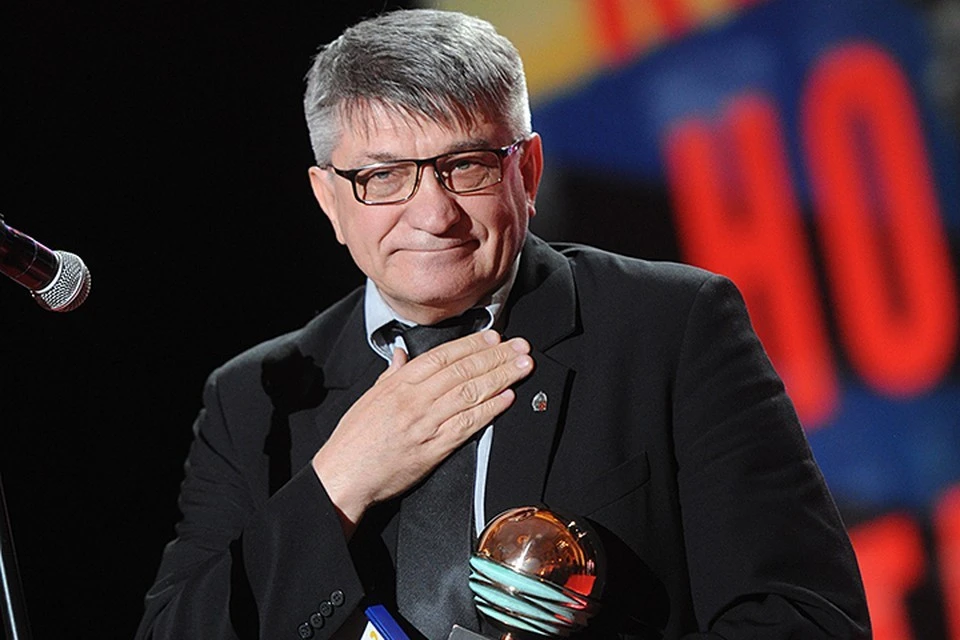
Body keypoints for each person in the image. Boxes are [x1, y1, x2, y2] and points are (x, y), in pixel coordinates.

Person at [135, 8, 871, 640]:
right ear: (329, 199)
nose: (433, 214)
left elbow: (807, 619)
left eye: (467, 165)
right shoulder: (256, 396)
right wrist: (339, 482)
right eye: (383, 176)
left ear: (528, 171)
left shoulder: (670, 328)